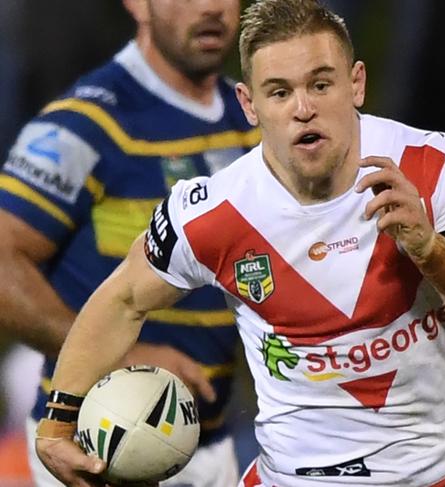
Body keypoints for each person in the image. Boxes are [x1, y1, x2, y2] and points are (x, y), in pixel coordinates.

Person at [34, 1, 445, 486]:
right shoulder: (209, 210)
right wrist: (57, 425)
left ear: (356, 83)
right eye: (279, 92)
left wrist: (432, 251)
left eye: (320, 85)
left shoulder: (433, 164)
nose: (303, 109)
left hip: (436, 477)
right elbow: (122, 299)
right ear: (249, 104)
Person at [0, 0, 260, 485]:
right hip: (95, 450)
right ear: (137, 4)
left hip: (212, 445)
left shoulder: (255, 116)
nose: (210, 9)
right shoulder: (86, 123)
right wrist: (120, 357)